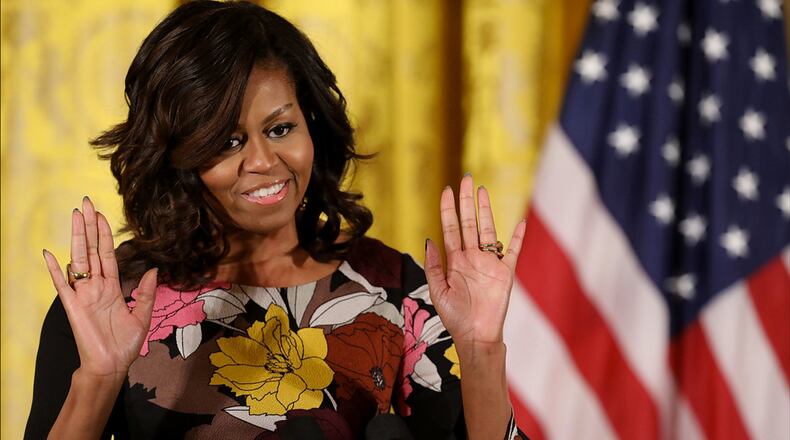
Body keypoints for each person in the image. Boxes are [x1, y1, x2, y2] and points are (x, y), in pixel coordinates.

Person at [25, 1, 527, 439]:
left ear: (312, 126)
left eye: (280, 128)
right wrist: (99, 378)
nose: (264, 161)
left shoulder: (394, 290)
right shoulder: (114, 298)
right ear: (178, 154)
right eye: (227, 141)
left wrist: (482, 352)